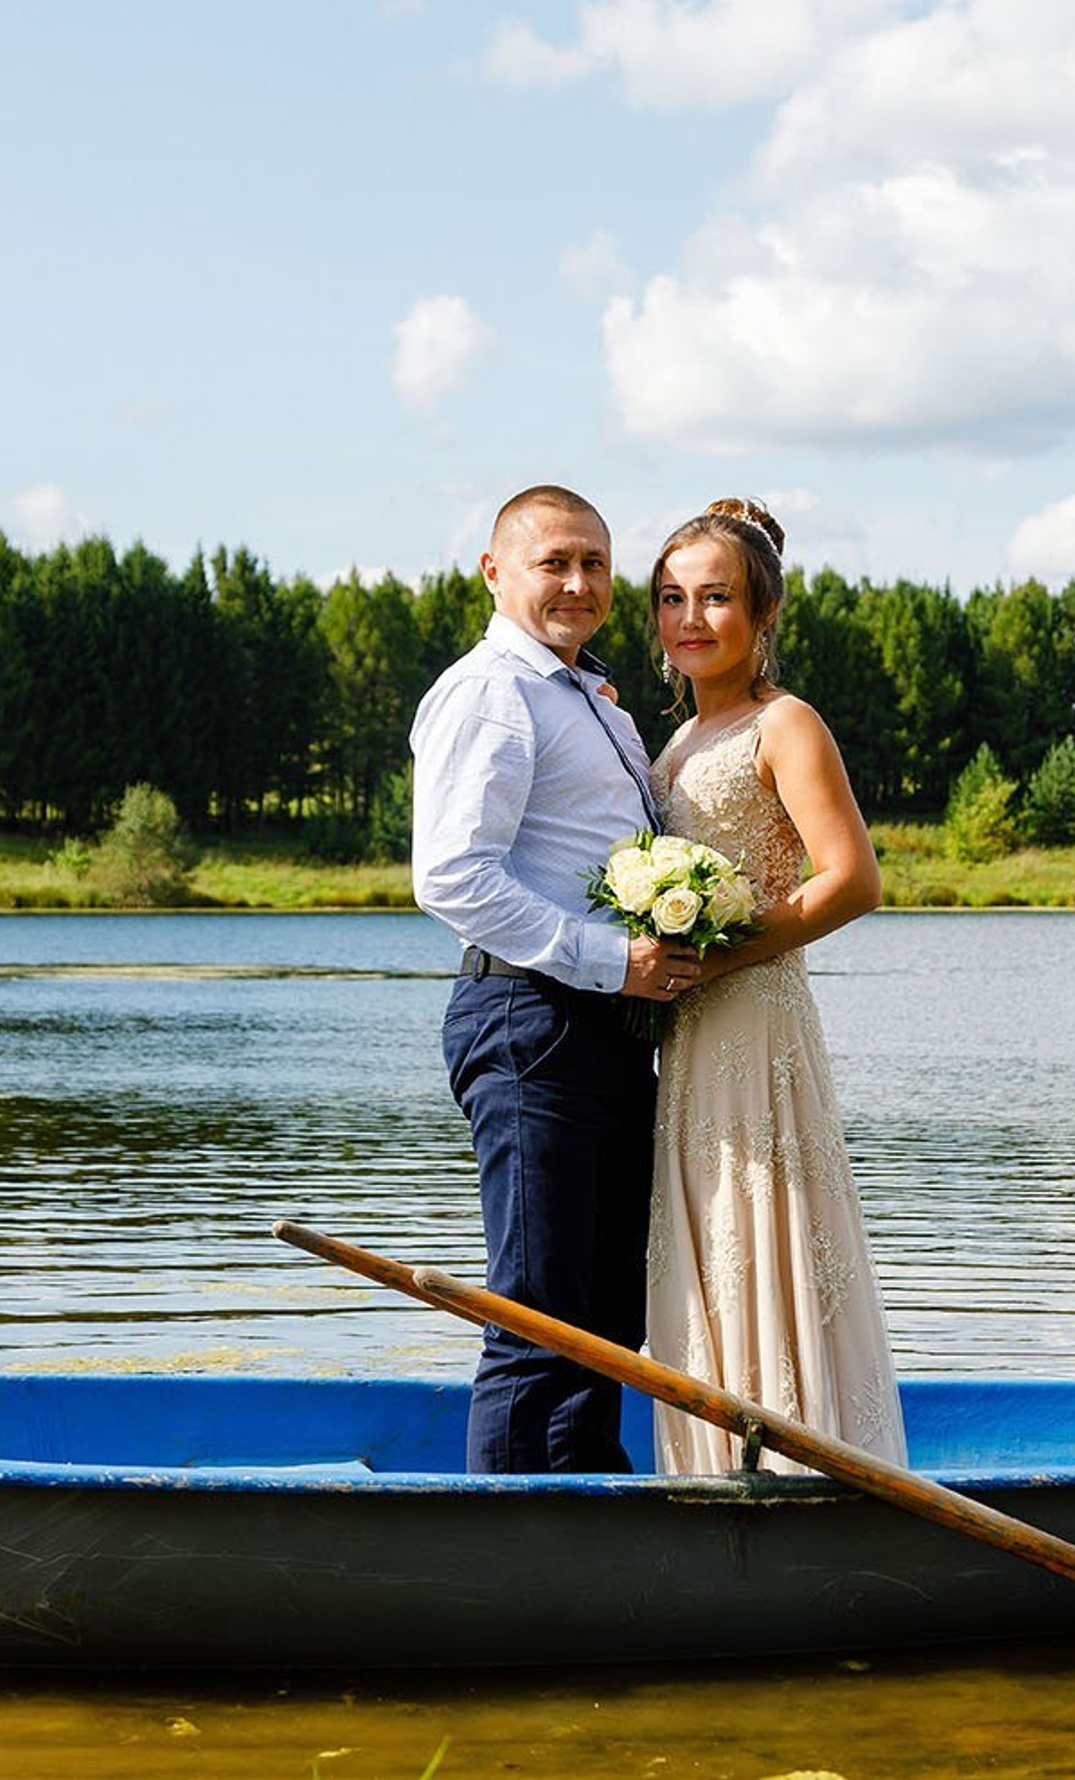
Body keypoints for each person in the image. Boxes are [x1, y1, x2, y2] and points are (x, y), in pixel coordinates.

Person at [411, 484, 702, 1473]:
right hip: (530, 1021)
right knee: (537, 1311)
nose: (579, 583)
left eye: (594, 564)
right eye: (554, 562)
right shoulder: (494, 690)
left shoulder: (590, 699)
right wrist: (616, 958)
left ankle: (586, 1511)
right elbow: (453, 875)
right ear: (494, 572)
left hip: (605, 1034)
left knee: (608, 1313)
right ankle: (512, 1556)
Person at [644, 498, 906, 1474]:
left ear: (764, 616)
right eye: (673, 599)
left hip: (753, 1015)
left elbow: (853, 880)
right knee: (709, 1228)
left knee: (761, 1222)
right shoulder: (673, 745)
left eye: (718, 598)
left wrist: (721, 953)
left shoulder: (784, 723)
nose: (691, 620)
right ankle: (711, 1456)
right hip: (690, 1027)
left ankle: (798, 1454)